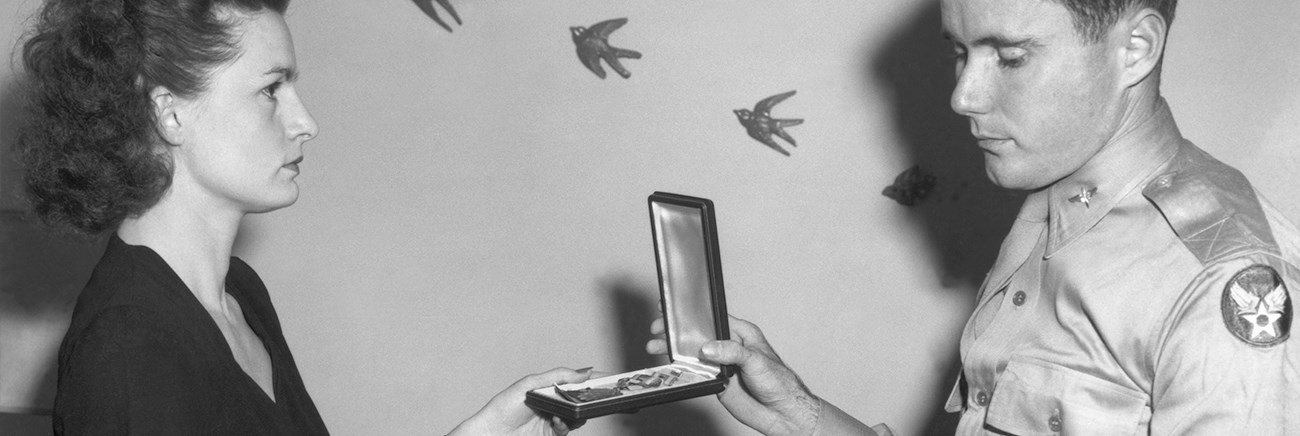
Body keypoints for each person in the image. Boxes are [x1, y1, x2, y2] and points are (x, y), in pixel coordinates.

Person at [648, 0, 1300, 434]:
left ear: (1135, 47)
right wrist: (799, 412)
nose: (964, 94)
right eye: (959, 52)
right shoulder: (1051, 204)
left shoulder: (1223, 283)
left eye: (1010, 57)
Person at [17, 0, 589, 434]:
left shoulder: (238, 292)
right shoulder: (130, 350)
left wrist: (484, 428)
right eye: (272, 89)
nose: (305, 121)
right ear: (169, 113)